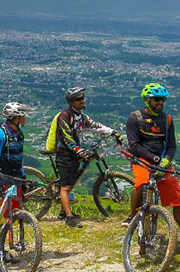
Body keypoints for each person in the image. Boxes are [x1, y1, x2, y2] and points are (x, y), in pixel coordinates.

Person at [126, 83, 180, 250]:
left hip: (162, 162)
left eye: (162, 100)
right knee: (141, 183)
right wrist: (154, 158)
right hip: (142, 160)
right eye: (156, 100)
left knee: (178, 201)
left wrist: (166, 160)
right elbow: (134, 146)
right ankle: (132, 216)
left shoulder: (166, 119)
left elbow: (171, 145)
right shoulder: (135, 118)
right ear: (147, 100)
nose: (160, 103)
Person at [46, 86, 123, 228]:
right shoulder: (64, 116)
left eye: (82, 98)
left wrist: (112, 132)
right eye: (78, 99)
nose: (82, 101)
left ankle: (64, 211)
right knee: (65, 187)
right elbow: (66, 136)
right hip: (65, 154)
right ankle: (69, 218)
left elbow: (95, 126)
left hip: (73, 154)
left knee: (70, 184)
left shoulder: (81, 117)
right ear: (71, 102)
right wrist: (78, 150)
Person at [0, 101, 32, 269]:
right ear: (16, 117)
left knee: (10, 217)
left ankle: (4, 250)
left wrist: (23, 178)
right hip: (1, 182)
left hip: (15, 181)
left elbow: (19, 159)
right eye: (23, 115)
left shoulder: (19, 134)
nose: (25, 118)